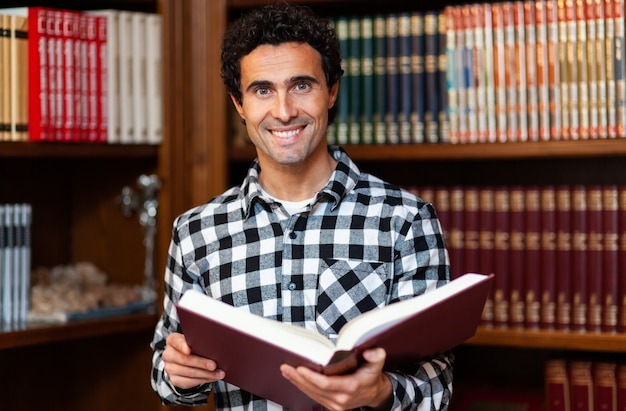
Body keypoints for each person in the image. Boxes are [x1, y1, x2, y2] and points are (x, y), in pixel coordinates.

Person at [150, 2, 453, 410]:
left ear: (331, 91)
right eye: (262, 90)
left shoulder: (406, 221)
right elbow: (165, 370)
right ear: (239, 105)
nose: (284, 111)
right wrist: (179, 374)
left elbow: (438, 384)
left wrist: (381, 392)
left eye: (301, 85)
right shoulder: (195, 233)